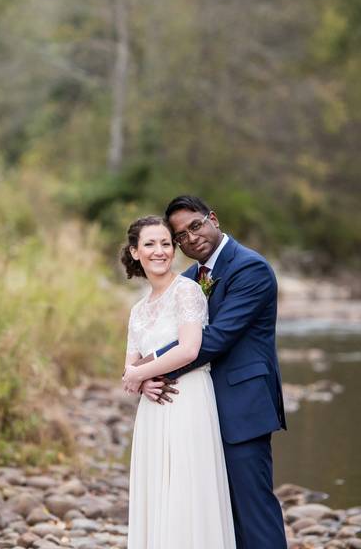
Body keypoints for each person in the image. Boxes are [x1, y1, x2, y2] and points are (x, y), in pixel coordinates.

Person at [134, 195, 288, 549]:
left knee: (253, 510)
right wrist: (145, 374)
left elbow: (217, 338)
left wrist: (150, 370)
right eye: (181, 236)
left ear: (213, 219)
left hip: (242, 406)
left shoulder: (251, 268)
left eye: (196, 225)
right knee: (216, 515)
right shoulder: (189, 280)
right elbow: (167, 332)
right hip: (197, 412)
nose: (191, 238)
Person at [119, 215, 236, 549]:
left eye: (166, 244)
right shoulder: (138, 309)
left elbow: (189, 349)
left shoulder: (187, 291)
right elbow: (130, 364)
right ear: (135, 251)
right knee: (157, 490)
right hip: (153, 409)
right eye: (150, 244)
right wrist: (141, 382)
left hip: (188, 401)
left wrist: (139, 375)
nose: (160, 251)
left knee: (186, 490)